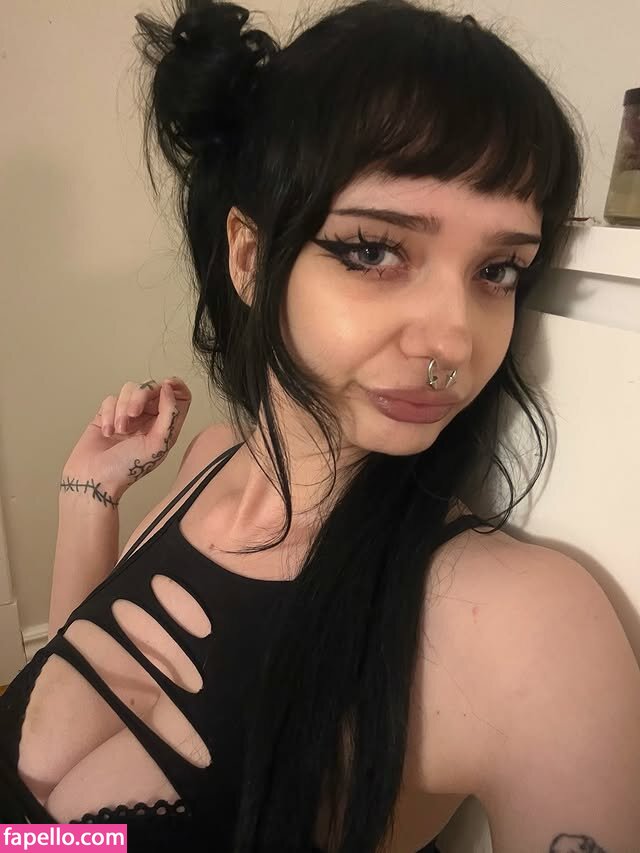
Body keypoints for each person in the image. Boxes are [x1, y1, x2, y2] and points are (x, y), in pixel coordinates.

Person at [2, 0, 639, 850]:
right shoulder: (209, 460)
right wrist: (87, 497)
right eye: (375, 249)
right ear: (249, 258)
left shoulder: (521, 624)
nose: (453, 339)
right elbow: (52, 819)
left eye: (498, 269)